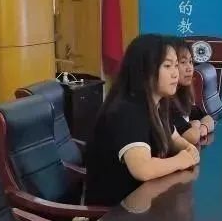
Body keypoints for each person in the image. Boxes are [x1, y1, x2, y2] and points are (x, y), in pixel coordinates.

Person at [85, 34, 201, 206]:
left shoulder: (158, 105)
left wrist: (188, 150)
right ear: (145, 70)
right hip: (114, 214)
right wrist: (181, 160)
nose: (175, 73)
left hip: (144, 203)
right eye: (167, 66)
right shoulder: (127, 110)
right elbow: (143, 169)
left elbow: (175, 140)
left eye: (176, 65)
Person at [171, 40, 215, 145]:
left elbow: (208, 118)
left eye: (191, 62)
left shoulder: (181, 95)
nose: (190, 68)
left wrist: (203, 127)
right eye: (183, 62)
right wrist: (195, 125)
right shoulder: (166, 102)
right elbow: (191, 136)